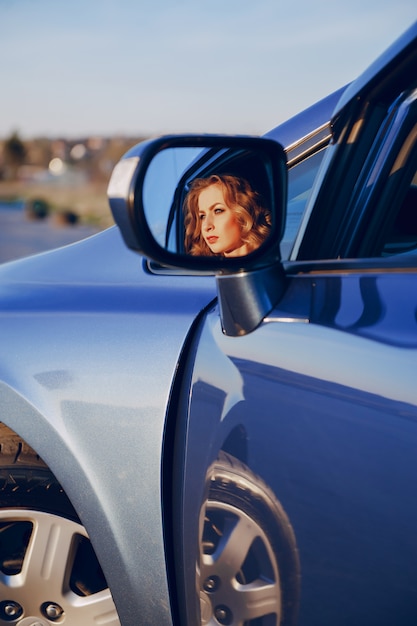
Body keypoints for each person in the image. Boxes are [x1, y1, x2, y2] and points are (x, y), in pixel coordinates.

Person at [183, 174, 271, 257]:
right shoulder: (210, 270)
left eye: (218, 211)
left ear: (244, 212)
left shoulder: (273, 257)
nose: (206, 226)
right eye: (202, 216)